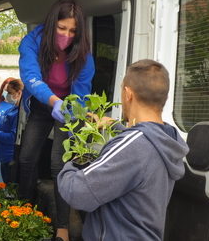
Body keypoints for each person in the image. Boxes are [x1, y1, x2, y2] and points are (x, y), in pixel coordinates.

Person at [57, 59, 189, 240]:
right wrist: (115, 126)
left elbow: (77, 192)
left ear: (128, 94)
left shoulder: (133, 146)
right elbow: (141, 148)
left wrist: (71, 163)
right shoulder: (166, 139)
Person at [17, 0, 95, 240]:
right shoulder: (32, 42)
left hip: (68, 107)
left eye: (72, 31)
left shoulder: (83, 53)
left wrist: (71, 108)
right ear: (52, 24)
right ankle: (23, 208)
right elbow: (30, 76)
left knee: (59, 166)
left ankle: (62, 227)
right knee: (27, 157)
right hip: (43, 104)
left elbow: (82, 90)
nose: (67, 35)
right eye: (62, 28)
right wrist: (52, 101)